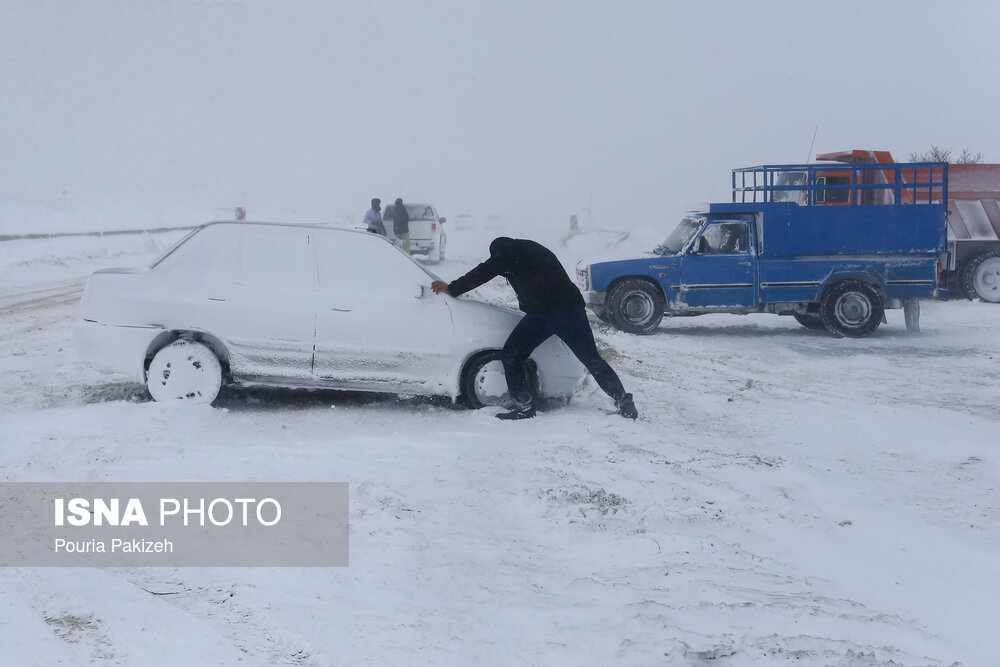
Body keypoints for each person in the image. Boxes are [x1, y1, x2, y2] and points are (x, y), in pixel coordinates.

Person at [431, 237, 638, 420]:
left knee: (512, 355)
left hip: (545, 314)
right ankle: (625, 403)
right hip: (572, 309)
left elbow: (482, 272)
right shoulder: (532, 248)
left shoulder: (505, 254)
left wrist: (452, 288)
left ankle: (524, 408)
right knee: (593, 360)